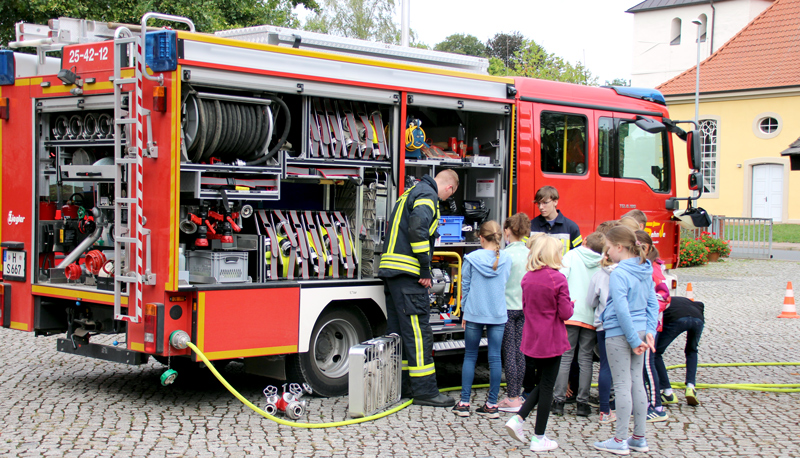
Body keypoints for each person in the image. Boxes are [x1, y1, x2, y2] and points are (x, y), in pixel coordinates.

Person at [378, 169, 459, 407]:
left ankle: (403, 386)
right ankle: (425, 391)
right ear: (449, 189)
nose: (444, 201)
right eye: (448, 197)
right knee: (418, 333)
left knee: (400, 334)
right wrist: (425, 268)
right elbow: (418, 228)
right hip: (408, 275)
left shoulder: (411, 191)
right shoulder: (428, 195)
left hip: (392, 273)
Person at [593, 226, 659, 455]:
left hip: (620, 333)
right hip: (641, 331)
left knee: (622, 385)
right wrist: (649, 331)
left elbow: (621, 308)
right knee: (637, 384)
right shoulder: (646, 268)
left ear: (619, 247)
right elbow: (653, 303)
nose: (607, 253)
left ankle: (619, 439)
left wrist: (631, 339)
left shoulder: (620, 272)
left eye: (609, 248)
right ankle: (639, 437)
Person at [504, 235, 573, 452]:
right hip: (551, 340)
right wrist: (570, 304)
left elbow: (526, 307)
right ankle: (539, 436)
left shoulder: (527, 278)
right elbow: (565, 313)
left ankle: (519, 419)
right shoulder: (558, 279)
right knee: (547, 387)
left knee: (542, 383)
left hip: (531, 339)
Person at [453, 221, 511, 418]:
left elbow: (465, 286)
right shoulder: (506, 258)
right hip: (497, 312)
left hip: (474, 312)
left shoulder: (471, 258)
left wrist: (464, 312)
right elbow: (506, 282)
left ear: (481, 237)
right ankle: (492, 405)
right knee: (495, 358)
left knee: (470, 356)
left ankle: (464, 402)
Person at [552, 232, 605, 417]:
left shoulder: (572, 255)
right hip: (590, 315)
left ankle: (558, 401)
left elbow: (561, 279)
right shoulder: (601, 263)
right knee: (585, 359)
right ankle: (583, 403)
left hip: (571, 312)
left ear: (584, 241)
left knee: (565, 357)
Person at [497, 213, 532, 413]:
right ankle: (517, 394)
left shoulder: (504, 255)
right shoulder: (530, 254)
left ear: (507, 231)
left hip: (506, 308)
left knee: (508, 352)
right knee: (520, 352)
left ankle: (511, 397)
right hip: (524, 308)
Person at [635, 230, 669, 423]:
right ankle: (644, 402)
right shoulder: (643, 267)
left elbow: (664, 297)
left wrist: (647, 310)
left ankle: (657, 406)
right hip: (643, 324)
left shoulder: (653, 269)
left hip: (650, 326)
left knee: (648, 366)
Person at [587, 244, 618, 424]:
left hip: (603, 325)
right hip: (622, 326)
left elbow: (591, 300)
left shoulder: (599, 275)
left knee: (605, 366)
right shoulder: (628, 273)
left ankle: (604, 409)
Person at [655, 296, 705, 407]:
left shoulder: (661, 302)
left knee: (656, 353)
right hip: (698, 318)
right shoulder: (687, 302)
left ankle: (668, 392)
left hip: (677, 318)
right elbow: (700, 304)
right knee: (692, 350)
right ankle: (691, 387)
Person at [530, 186, 582, 255]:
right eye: (539, 203)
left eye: (545, 203)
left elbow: (579, 255)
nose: (541, 207)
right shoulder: (530, 226)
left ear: (555, 202)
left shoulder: (571, 227)